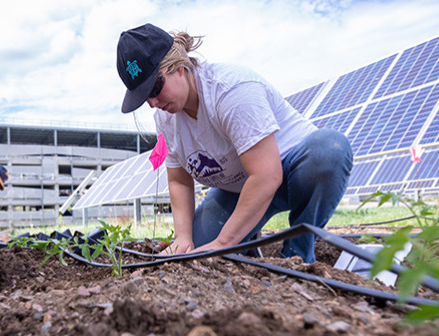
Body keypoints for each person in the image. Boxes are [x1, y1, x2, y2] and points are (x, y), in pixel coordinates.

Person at [116, 23, 353, 263]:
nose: (153, 102)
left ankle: (298, 255)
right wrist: (183, 238)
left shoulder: (231, 91)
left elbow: (267, 176)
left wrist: (223, 244)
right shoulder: (166, 118)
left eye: (155, 88)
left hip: (290, 172)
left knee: (328, 151)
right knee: (194, 254)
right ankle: (246, 240)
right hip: (237, 190)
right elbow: (179, 180)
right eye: (145, 97)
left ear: (178, 66)